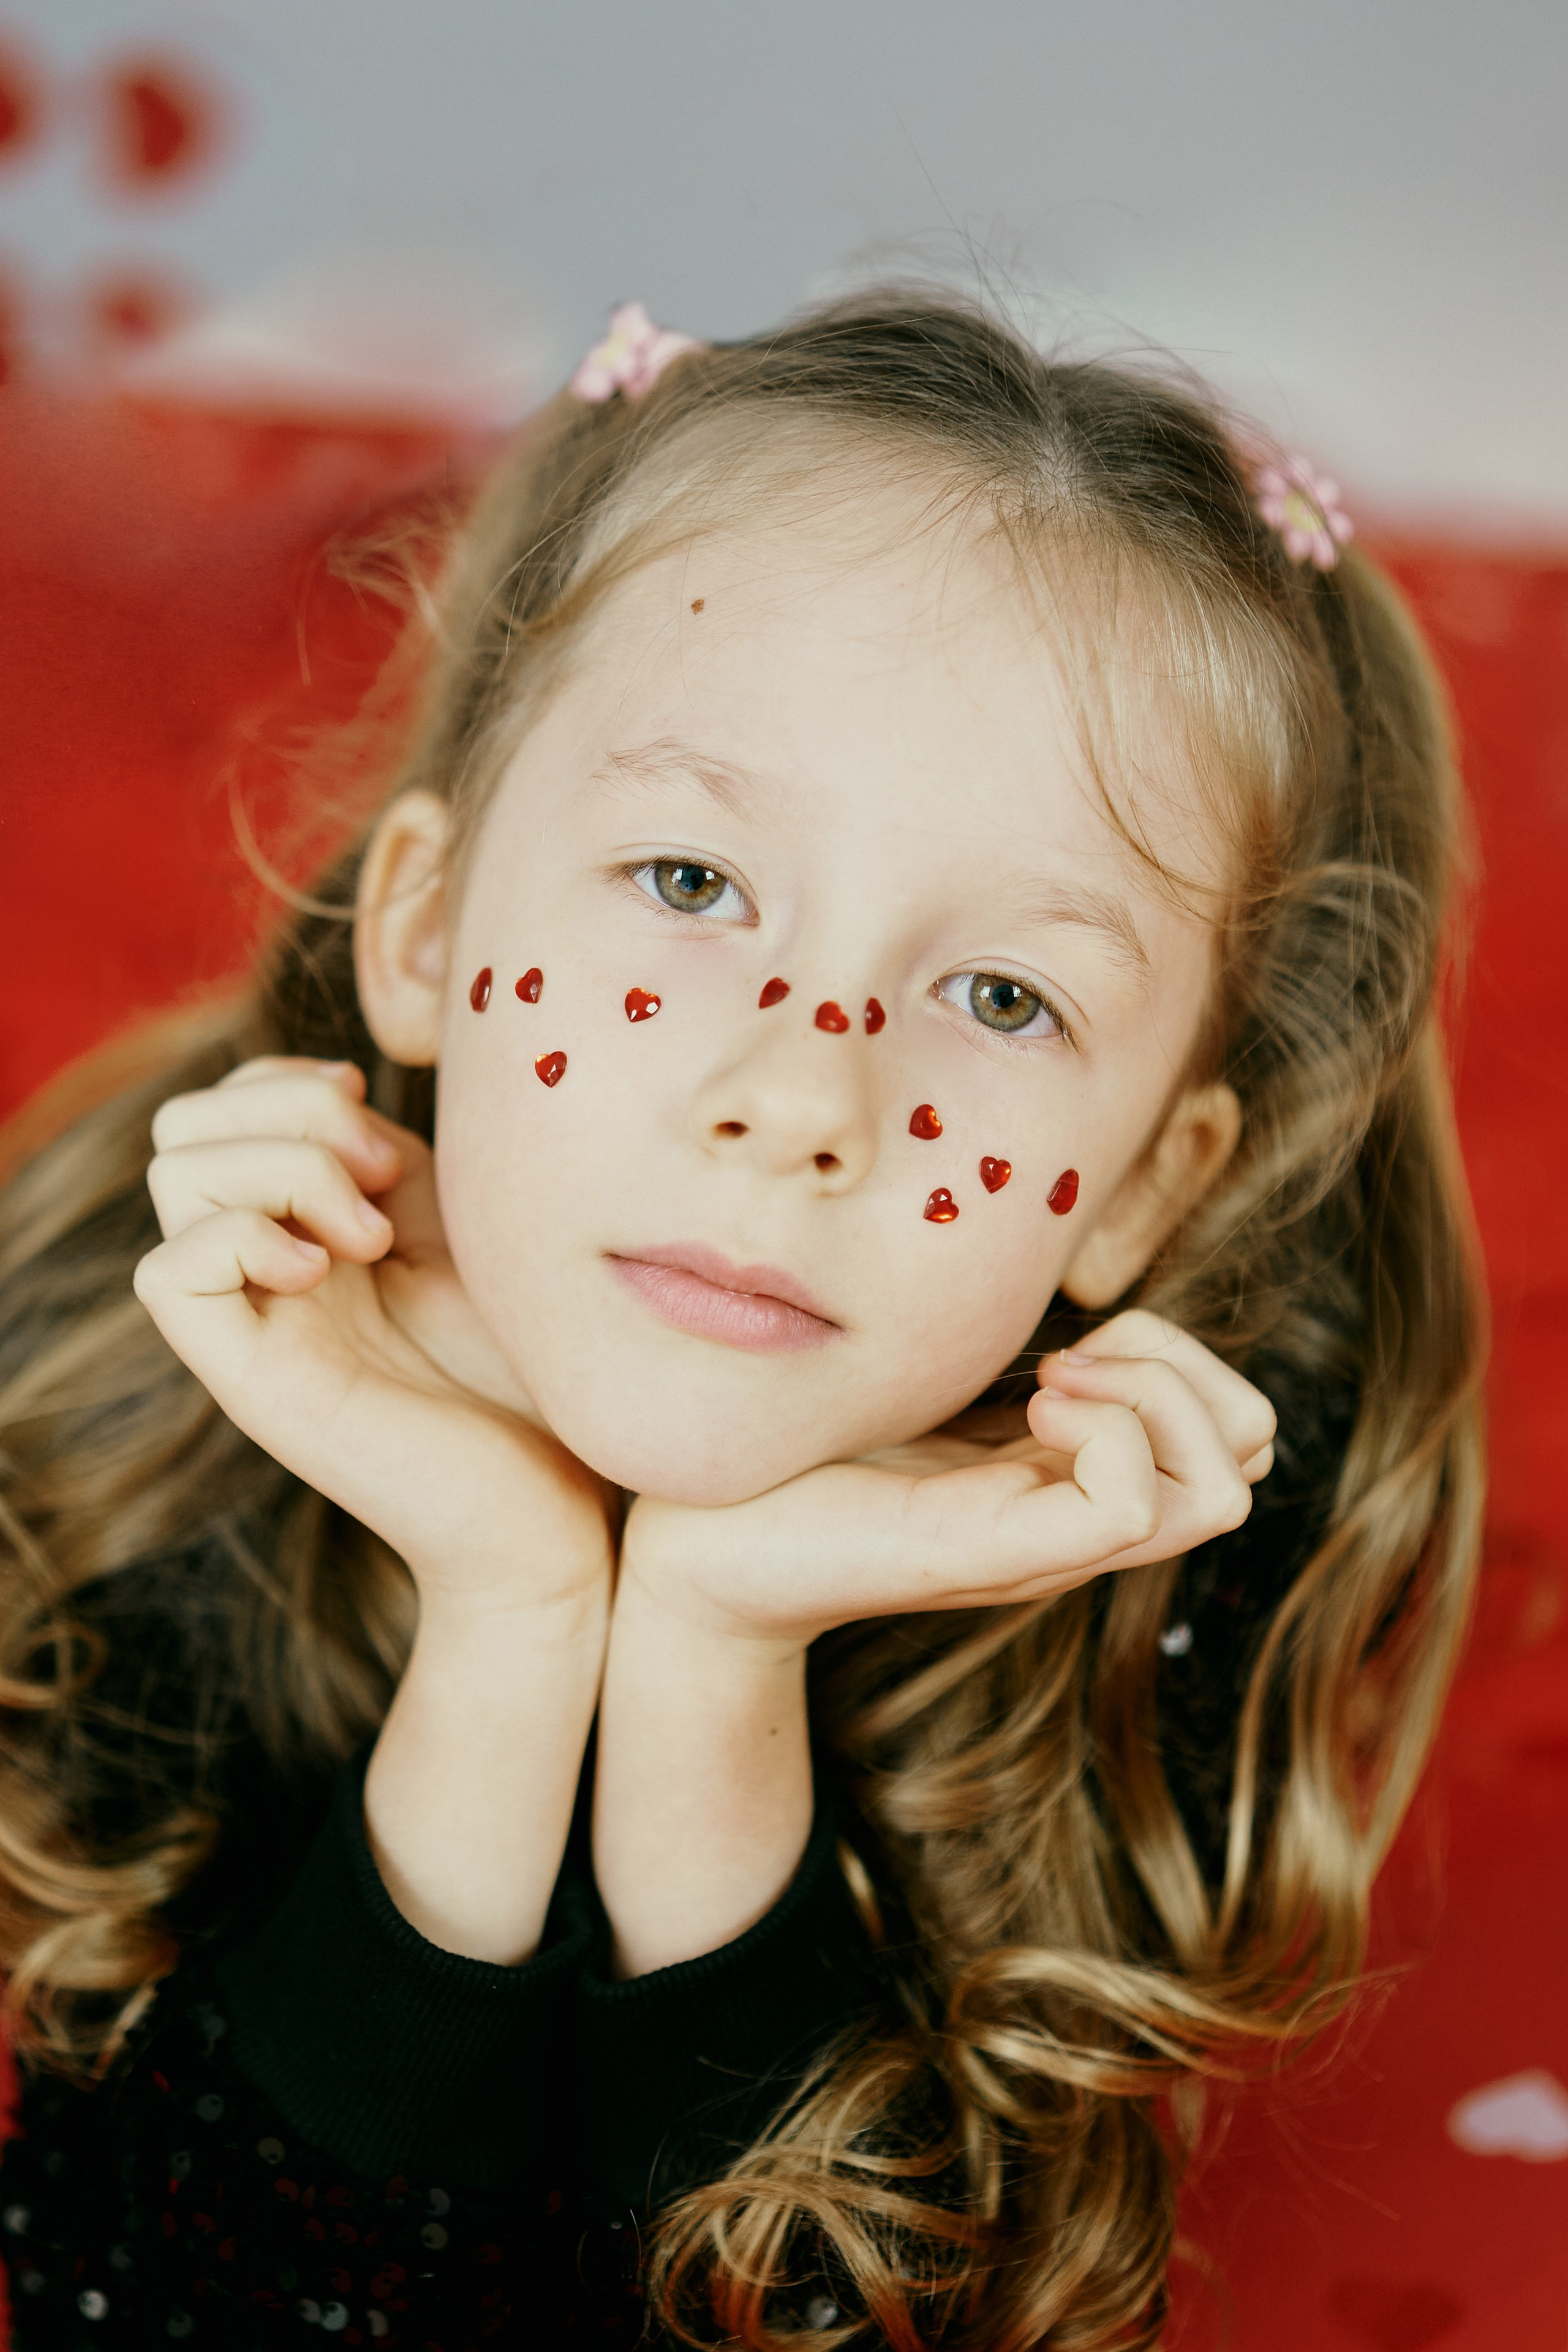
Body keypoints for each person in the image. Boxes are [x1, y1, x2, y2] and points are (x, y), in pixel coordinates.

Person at [0, 293, 1485, 2350]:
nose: (801, 1099)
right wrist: (509, 1609)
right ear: (426, 931)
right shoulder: (112, 1363)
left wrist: (711, 1654)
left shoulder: (1179, 1539)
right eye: (691, 884)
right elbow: (164, 2305)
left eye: (1002, 999)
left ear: (1150, 1185)